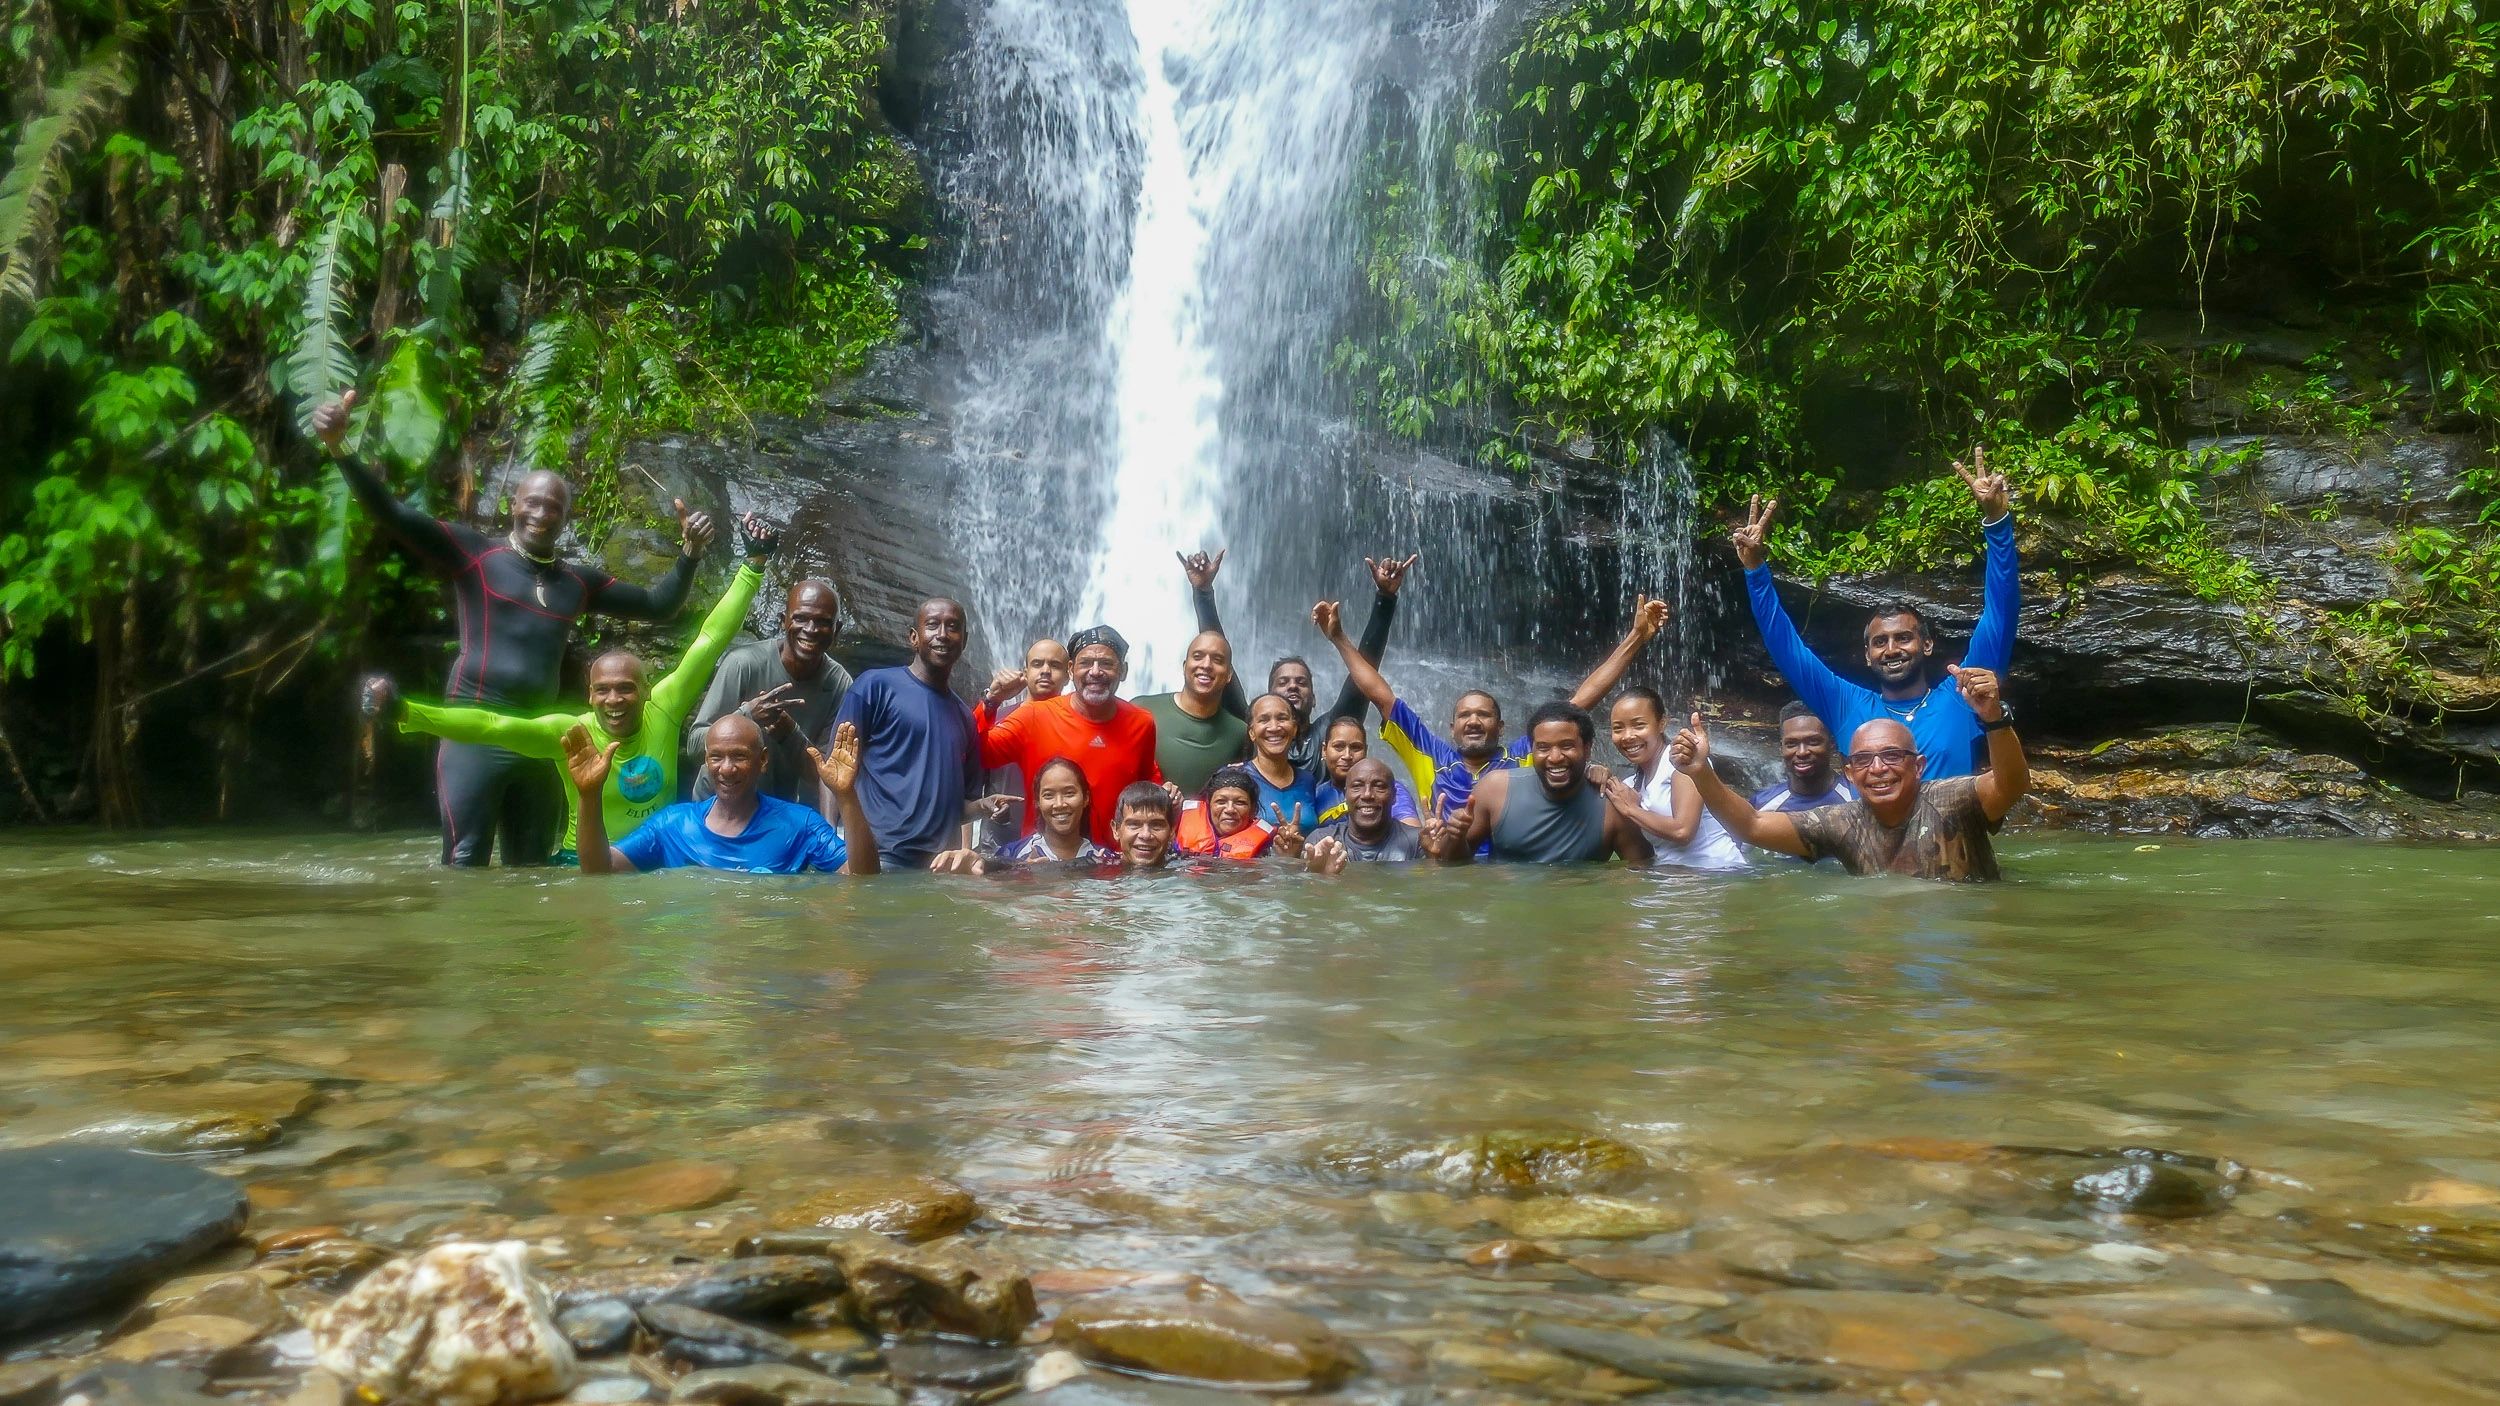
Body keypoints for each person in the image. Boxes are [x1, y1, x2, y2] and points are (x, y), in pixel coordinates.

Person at [312, 390, 715, 865]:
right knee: (465, 858)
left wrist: (688, 554)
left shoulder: (574, 582)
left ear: (566, 519)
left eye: (554, 509)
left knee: (532, 865)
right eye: (534, 504)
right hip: (476, 731)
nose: (541, 515)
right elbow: (393, 515)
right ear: (513, 505)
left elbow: (658, 605)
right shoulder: (476, 555)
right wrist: (340, 447)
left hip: (541, 738)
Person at [363, 517, 776, 861]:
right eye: (603, 691)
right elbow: (490, 725)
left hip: (656, 856)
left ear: (646, 689)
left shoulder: (665, 706)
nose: (614, 701)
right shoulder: (573, 734)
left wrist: (753, 565)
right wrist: (407, 712)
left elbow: (710, 640)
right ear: (590, 694)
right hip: (584, 861)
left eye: (626, 689)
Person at [1734, 448, 2018, 779]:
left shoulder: (1963, 694)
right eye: (1879, 642)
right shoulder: (1844, 704)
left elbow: (2001, 613)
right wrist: (1755, 570)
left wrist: (1997, 524)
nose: (1891, 649)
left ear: (1927, 645)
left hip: (1949, 830)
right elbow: (1785, 646)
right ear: (1867, 655)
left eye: (1903, 638)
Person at [1315, 594, 1672, 822]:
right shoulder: (1428, 751)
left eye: (1484, 715)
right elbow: (1380, 694)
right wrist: (1339, 639)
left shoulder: (1524, 755)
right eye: (1465, 715)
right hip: (1446, 864)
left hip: (1508, 866)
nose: (1473, 721)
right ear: (1451, 727)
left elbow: (1581, 701)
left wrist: (1636, 637)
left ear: (1500, 727)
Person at [1669, 665, 2028, 881]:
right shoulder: (1841, 823)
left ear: (1918, 766)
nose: (1878, 769)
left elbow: (2011, 785)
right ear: (1850, 774)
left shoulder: (1952, 798)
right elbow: (1752, 826)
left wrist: (1994, 718)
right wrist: (1701, 772)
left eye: (1891, 756)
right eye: (1864, 761)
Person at [1182, 548, 1417, 769]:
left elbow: (1363, 671)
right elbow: (1218, 661)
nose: (1293, 685)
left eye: (1301, 683)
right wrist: (1202, 593)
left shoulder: (1331, 734)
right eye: (1282, 683)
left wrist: (1385, 598)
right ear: (1267, 696)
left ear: (1314, 699)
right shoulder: (1252, 731)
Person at [569, 714, 878, 875]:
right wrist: (588, 795)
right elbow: (600, 870)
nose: (727, 768)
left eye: (739, 757)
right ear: (706, 761)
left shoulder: (798, 825)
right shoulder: (673, 825)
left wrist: (846, 796)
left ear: (763, 760)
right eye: (716, 757)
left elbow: (862, 879)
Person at [832, 597, 982, 871]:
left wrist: (986, 808)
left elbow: (964, 803)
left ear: (964, 640)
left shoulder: (965, 717)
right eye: (933, 625)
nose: (943, 635)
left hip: (938, 867)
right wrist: (834, 843)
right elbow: (837, 770)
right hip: (879, 858)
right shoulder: (874, 687)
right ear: (914, 637)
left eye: (952, 626)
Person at [974, 627, 1160, 845]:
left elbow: (1147, 786)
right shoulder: (1035, 715)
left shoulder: (1142, 723)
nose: (1095, 671)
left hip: (1115, 864)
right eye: (1086, 663)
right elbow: (976, 753)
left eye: (1107, 664)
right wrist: (990, 702)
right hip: (1044, 862)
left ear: (1124, 671)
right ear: (1071, 670)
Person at [686, 576, 853, 807]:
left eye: (823, 622)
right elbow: (694, 747)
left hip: (776, 812)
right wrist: (747, 716)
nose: (811, 630)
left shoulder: (839, 683)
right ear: (784, 621)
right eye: (800, 618)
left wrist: (789, 734)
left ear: (837, 630)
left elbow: (827, 776)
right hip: (715, 804)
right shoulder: (742, 664)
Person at [1421, 702, 1654, 866]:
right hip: (1508, 920)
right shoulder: (1494, 790)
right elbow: (1454, 866)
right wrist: (1455, 836)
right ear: (1532, 750)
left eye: (1566, 746)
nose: (1554, 757)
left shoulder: (1613, 806)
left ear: (1587, 748)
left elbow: (1641, 874)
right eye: (1543, 748)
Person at [1599, 687, 1747, 871]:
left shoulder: (1682, 763)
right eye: (1618, 728)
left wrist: (1631, 810)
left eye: (1639, 725)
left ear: (1662, 723)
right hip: (1672, 881)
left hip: (1718, 872)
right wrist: (1592, 770)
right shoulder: (1630, 785)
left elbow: (1683, 831)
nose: (1628, 736)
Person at [927, 755, 1113, 874]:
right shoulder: (1015, 855)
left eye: (1069, 793)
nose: (1059, 804)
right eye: (1048, 795)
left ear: (1086, 798)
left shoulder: (1104, 858)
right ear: (1038, 803)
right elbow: (987, 868)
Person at [971, 638, 1073, 839]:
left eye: (1054, 665)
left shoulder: (1077, 723)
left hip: (1056, 842)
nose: (1045, 670)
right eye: (1037, 664)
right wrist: (992, 699)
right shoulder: (996, 716)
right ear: (1025, 673)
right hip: (997, 839)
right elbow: (966, 762)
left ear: (1068, 675)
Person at [1135, 629, 1249, 795]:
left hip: (1206, 820)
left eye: (1217, 660)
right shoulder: (1142, 709)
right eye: (1197, 657)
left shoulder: (1240, 733)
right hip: (1148, 818)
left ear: (1229, 674)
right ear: (1184, 666)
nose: (1206, 665)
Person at [1304, 758, 1425, 871]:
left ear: (1394, 795)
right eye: (1357, 786)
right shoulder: (1321, 842)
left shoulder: (1418, 842)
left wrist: (1438, 857)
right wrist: (1317, 876)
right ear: (1345, 795)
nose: (1367, 795)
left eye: (1379, 787)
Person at [1310, 716, 1420, 828]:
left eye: (1356, 748)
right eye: (1339, 747)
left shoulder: (1388, 790)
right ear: (1324, 750)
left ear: (1366, 751)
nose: (1347, 755)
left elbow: (1411, 833)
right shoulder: (1314, 796)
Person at [1752, 701, 1857, 814]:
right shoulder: (1762, 805)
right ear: (1781, 748)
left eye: (1813, 742)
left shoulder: (1856, 796)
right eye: (1791, 744)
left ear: (1832, 744)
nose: (1802, 752)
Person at [1243, 692, 1319, 837]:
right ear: (1252, 732)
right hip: (1250, 860)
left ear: (1295, 728)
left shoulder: (1308, 780)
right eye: (1264, 720)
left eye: (1282, 718)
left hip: (1302, 859)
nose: (1274, 727)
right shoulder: (1236, 778)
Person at [1175, 766, 1277, 859]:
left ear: (1253, 810)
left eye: (1240, 802)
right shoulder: (1175, 833)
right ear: (1208, 806)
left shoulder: (1269, 847)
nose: (1230, 809)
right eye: (1221, 802)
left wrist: (1288, 853)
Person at [1110, 782, 1179, 871]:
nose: (1145, 835)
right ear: (1116, 830)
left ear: (1172, 831)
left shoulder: (1190, 870)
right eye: (1134, 824)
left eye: (1156, 825)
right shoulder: (1093, 868)